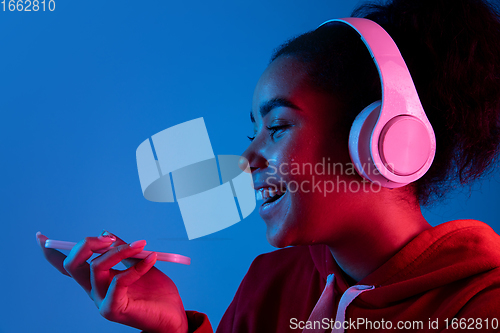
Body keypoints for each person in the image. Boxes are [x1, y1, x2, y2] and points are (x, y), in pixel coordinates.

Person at [37, 0, 500, 332]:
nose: (247, 160)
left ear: (381, 138)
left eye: (277, 127)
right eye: (251, 132)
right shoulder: (270, 283)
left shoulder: (483, 304)